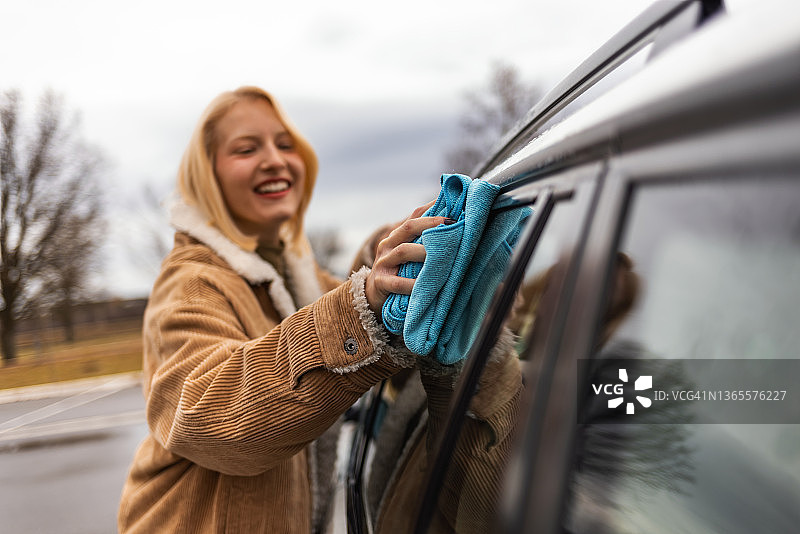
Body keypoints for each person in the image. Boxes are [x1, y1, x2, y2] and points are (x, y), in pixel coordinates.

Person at [116, 86, 450, 533]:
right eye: (246, 148)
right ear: (207, 176)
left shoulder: (287, 269)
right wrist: (365, 301)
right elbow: (204, 412)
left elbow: (328, 306)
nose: (274, 159)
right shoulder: (192, 281)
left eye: (285, 143)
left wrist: (382, 255)